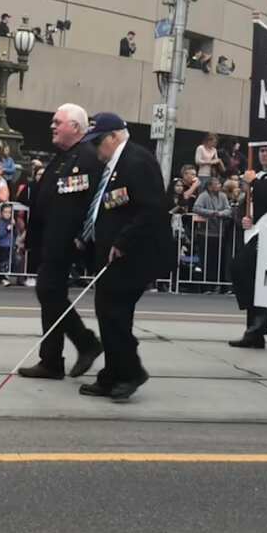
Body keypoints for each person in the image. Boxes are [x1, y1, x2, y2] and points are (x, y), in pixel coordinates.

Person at [77, 113, 172, 401]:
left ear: (114, 136)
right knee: (108, 313)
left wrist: (122, 241)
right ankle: (112, 374)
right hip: (113, 255)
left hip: (133, 254)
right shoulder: (115, 164)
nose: (96, 149)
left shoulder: (137, 161)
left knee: (115, 314)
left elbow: (151, 208)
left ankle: (130, 372)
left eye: (98, 142)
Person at [229, 144, 267, 349]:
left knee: (239, 267)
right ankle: (254, 333)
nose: (264, 154)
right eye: (261, 151)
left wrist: (254, 181)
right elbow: (244, 205)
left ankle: (262, 314)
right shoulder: (258, 176)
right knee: (252, 279)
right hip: (255, 231)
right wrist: (243, 219)